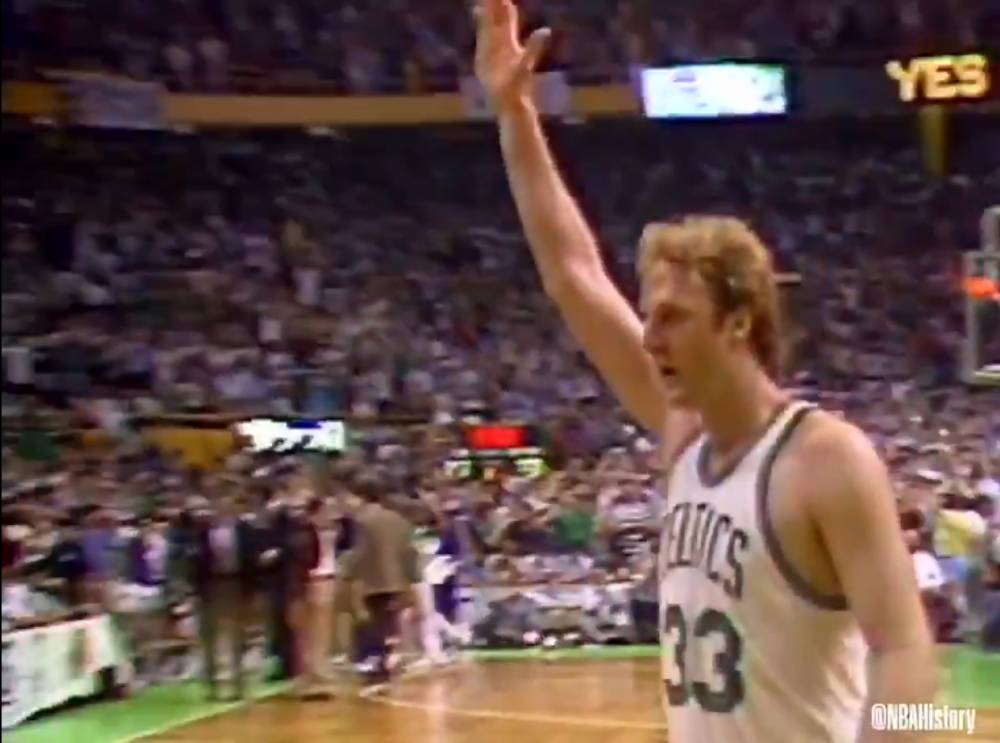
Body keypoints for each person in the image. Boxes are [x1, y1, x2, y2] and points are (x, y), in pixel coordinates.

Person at [472, 1, 937, 740]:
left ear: (739, 322)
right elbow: (572, 273)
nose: (649, 337)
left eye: (673, 317)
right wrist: (514, 115)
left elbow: (907, 653)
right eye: (648, 315)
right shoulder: (684, 435)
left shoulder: (826, 459)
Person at [338, 475, 421, 686]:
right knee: (389, 624)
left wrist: (345, 571)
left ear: (361, 496)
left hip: (371, 581)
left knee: (369, 625)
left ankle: (375, 665)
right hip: (397, 580)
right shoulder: (399, 520)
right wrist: (413, 580)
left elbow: (359, 553)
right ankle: (387, 662)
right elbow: (409, 553)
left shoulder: (361, 521)